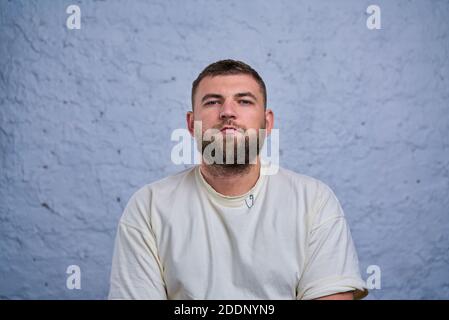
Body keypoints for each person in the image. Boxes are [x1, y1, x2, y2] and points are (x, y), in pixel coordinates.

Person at [108, 59, 368, 300]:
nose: (227, 112)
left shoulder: (314, 201)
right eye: (212, 102)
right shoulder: (149, 207)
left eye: (244, 101)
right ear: (191, 124)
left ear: (267, 123)